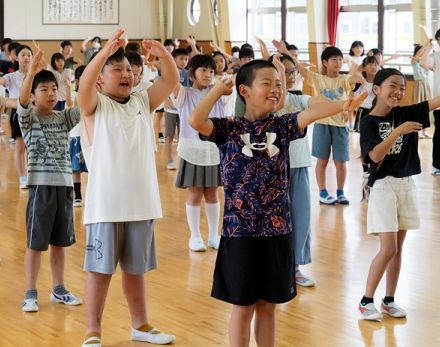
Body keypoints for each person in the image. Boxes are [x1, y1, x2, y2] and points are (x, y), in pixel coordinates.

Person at [189, 58, 366, 347]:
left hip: (277, 231)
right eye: (267, 83)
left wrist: (344, 105)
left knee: (269, 305)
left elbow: (311, 113)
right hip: (240, 233)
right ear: (244, 90)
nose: (275, 90)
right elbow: (196, 121)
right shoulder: (229, 129)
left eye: (279, 85)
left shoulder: (283, 125)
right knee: (243, 306)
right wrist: (216, 91)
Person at [78, 29, 179, 347]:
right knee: (100, 271)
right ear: (100, 79)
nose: (125, 74)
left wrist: (163, 54)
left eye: (128, 70)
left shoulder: (141, 101)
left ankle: (141, 325)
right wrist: (103, 53)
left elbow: (170, 81)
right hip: (105, 206)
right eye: (116, 69)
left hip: (141, 203)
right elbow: (83, 86)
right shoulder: (94, 106)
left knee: (136, 270)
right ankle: (93, 331)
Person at [358, 68, 439, 321]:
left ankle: (389, 300)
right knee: (388, 248)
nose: (399, 91)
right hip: (383, 186)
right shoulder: (367, 121)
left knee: (398, 249)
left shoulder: (406, 112)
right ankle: (366, 300)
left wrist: (401, 127)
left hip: (406, 184)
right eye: (393, 85)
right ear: (377, 89)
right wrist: (397, 132)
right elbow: (374, 157)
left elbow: (436, 101)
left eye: (403, 87)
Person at [17, 47, 82, 313]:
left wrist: (75, 85)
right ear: (33, 96)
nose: (51, 94)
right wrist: (31, 72)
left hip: (64, 188)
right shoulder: (29, 119)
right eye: (43, 90)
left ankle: (59, 289)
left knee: (60, 243)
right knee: (35, 243)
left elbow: (84, 107)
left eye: (53, 89)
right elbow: (20, 103)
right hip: (41, 189)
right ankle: (30, 293)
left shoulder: (64, 118)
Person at [289, 45, 365, 205]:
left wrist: (358, 75)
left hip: (340, 127)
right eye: (334, 59)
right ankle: (323, 193)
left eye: (340, 59)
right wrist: (285, 52)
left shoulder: (344, 80)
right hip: (322, 125)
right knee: (322, 161)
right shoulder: (318, 79)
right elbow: (300, 68)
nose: (338, 62)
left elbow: (354, 78)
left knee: (340, 162)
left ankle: (340, 192)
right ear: (325, 62)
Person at [172, 54, 231, 252]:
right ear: (192, 73)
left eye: (211, 71)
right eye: (203, 70)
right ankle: (195, 236)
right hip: (192, 150)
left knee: (213, 192)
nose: (208, 74)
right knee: (195, 191)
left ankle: (214, 234)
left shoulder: (219, 92)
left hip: (214, 150)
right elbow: (172, 81)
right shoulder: (185, 94)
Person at [0, 44, 33, 188]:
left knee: (34, 147)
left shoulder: (37, 74)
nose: (26, 57)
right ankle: (22, 177)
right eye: (23, 55)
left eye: (29, 55)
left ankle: (34, 176)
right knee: (20, 146)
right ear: (16, 58)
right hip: (18, 114)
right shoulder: (11, 76)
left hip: (36, 113)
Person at [163, 48, 190, 170]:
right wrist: (165, 99)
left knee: (182, 135)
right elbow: (161, 86)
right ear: (174, 59)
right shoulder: (168, 72)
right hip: (171, 110)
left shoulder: (188, 73)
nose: (184, 61)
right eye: (181, 59)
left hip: (183, 109)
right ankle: (169, 159)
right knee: (169, 135)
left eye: (186, 59)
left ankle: (183, 159)